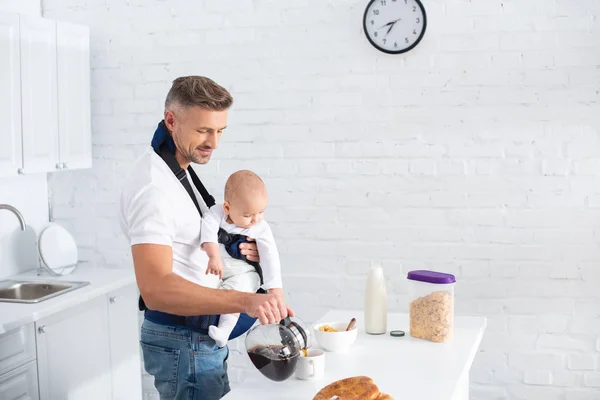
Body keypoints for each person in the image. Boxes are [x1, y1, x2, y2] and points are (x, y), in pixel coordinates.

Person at [119, 76, 293, 400]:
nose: (214, 143)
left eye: (220, 131)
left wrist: (239, 250)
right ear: (171, 120)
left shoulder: (178, 169)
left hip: (194, 342)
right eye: (203, 131)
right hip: (183, 341)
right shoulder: (153, 188)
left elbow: (194, 242)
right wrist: (247, 301)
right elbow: (155, 289)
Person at [201, 169, 284, 347]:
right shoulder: (217, 213)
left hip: (243, 272)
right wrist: (213, 254)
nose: (256, 219)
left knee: (236, 293)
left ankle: (224, 331)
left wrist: (274, 289)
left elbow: (270, 256)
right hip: (217, 267)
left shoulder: (261, 228)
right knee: (208, 290)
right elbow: (207, 226)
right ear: (227, 208)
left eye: (261, 212)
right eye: (248, 215)